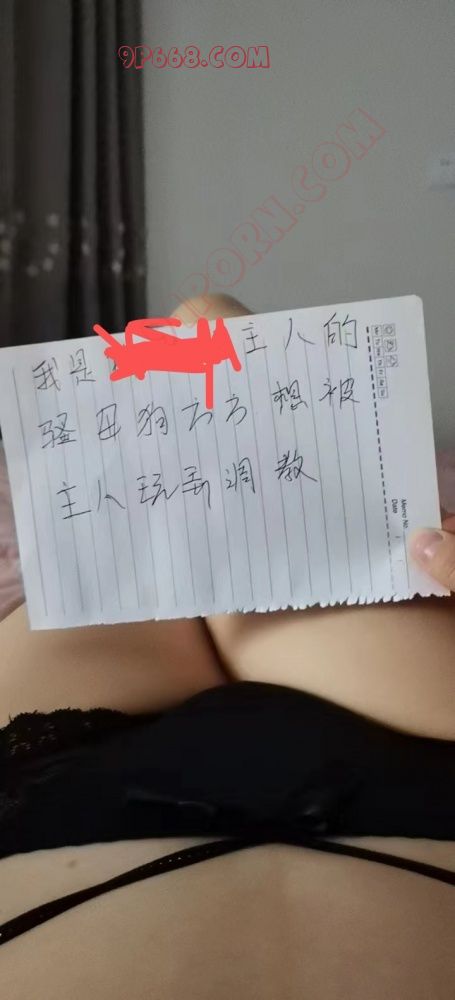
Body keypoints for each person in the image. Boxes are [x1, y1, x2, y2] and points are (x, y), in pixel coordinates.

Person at [0, 295, 453, 1000]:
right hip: (422, 778)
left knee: (125, 552)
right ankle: (221, 436)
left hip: (50, 801)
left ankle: (205, 459)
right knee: (208, 329)